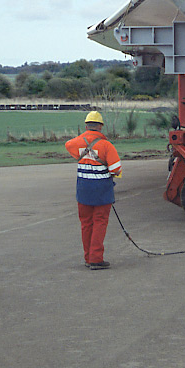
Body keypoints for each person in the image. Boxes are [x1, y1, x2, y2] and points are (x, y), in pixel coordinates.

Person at [65, 110, 122, 269]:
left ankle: (88, 258)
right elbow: (116, 169)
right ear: (101, 127)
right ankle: (96, 258)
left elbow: (68, 144)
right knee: (100, 223)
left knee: (86, 224)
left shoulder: (76, 143)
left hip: (83, 190)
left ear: (86, 125)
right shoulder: (106, 145)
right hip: (102, 190)